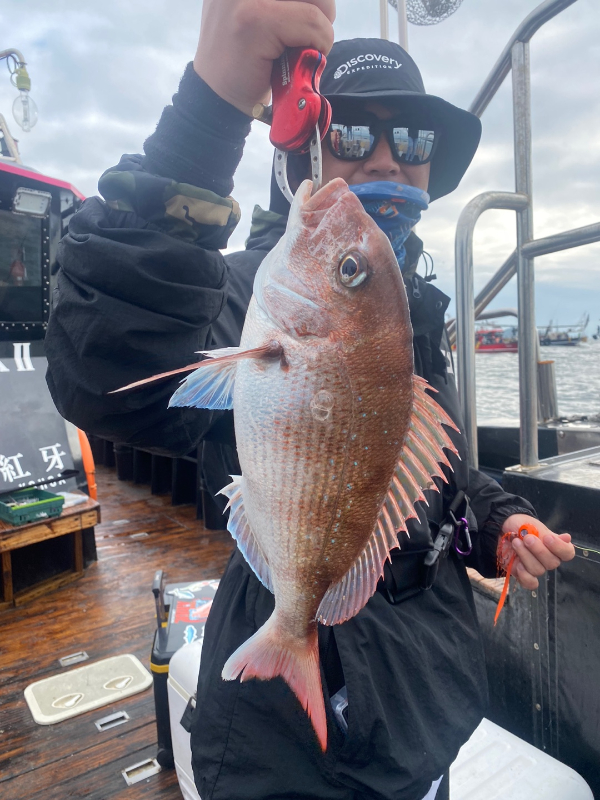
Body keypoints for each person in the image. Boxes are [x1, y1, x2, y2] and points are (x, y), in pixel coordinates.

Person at [44, 2, 575, 798]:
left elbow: (443, 481)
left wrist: (497, 523)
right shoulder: (237, 294)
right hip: (290, 745)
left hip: (430, 698)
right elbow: (105, 370)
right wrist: (211, 109)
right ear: (303, 150)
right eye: (353, 134)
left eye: (414, 141)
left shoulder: (413, 310)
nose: (388, 159)